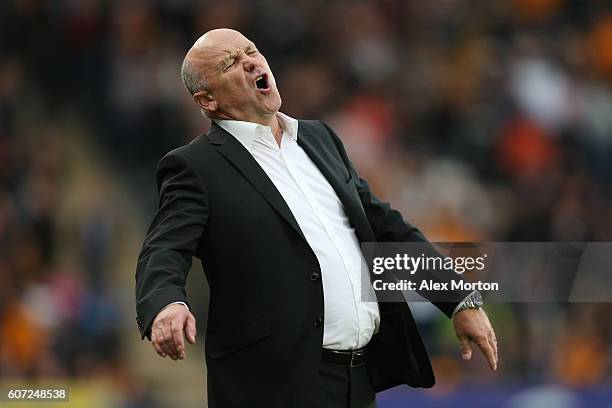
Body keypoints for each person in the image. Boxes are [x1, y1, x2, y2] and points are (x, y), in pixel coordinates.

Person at [135, 28, 498, 408]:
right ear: (207, 100)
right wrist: (167, 304)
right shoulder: (196, 166)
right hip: (274, 387)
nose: (250, 61)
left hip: (357, 380)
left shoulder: (319, 138)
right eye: (230, 63)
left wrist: (459, 300)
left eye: (251, 50)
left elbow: (384, 226)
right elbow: (163, 248)